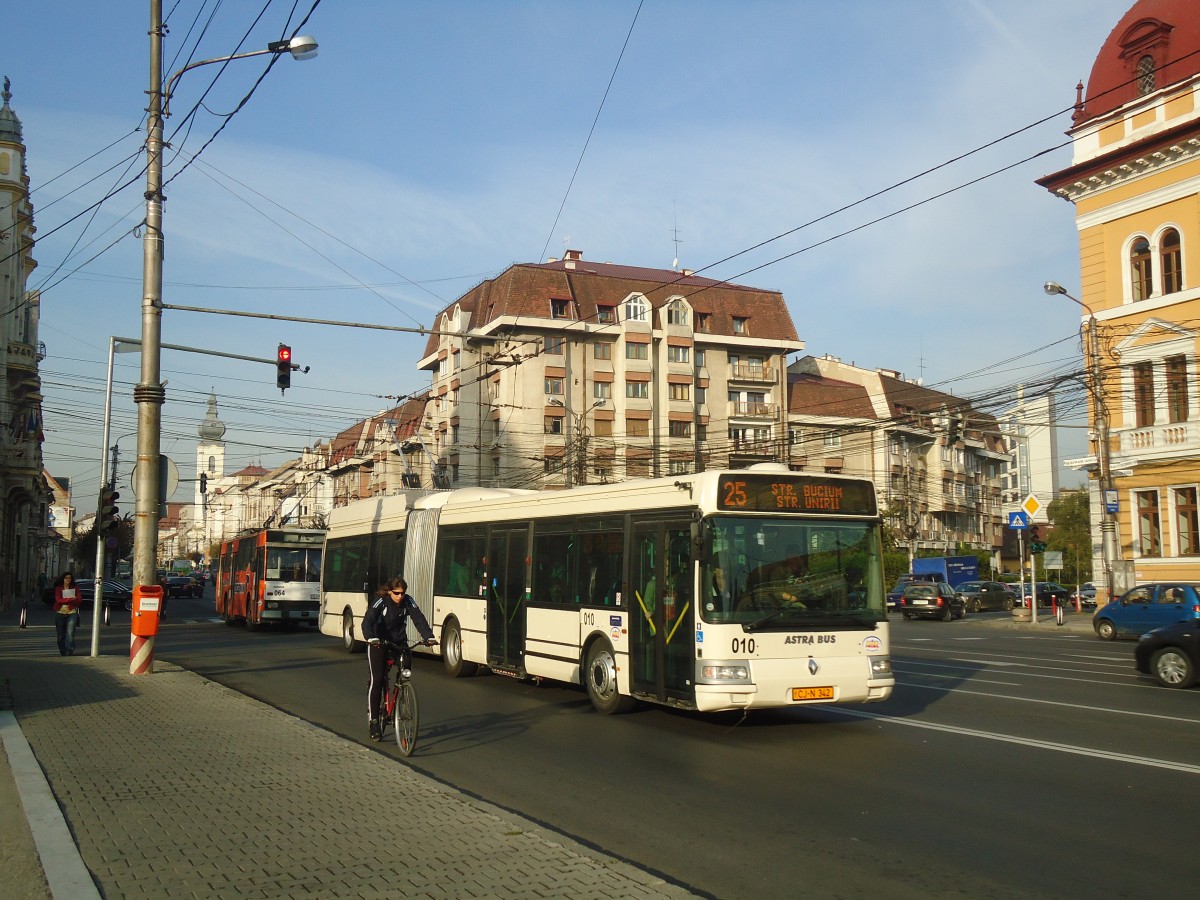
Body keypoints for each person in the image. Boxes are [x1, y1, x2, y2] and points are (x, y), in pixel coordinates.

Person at [362, 577, 435, 741]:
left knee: (406, 670)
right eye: (396, 593)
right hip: (379, 643)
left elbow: (418, 618)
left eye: (402, 593)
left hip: (398, 642)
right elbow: (368, 619)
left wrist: (428, 636)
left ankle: (400, 688)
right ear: (389, 591)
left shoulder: (407, 601)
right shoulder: (381, 601)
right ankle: (374, 720)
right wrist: (370, 637)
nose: (400, 596)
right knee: (378, 678)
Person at [52, 572, 81, 656]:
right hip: (60, 613)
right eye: (66, 578)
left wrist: (68, 599)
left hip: (72, 613)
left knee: (70, 633)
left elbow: (79, 599)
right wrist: (71, 599)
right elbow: (58, 600)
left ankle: (69, 650)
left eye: (69, 578)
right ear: (63, 579)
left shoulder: (75, 588)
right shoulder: (59, 588)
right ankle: (63, 651)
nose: (68, 580)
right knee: (60, 635)